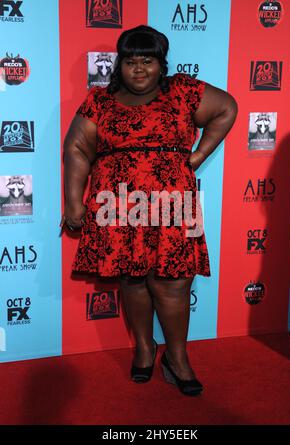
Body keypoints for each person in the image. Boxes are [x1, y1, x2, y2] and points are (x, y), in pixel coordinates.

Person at [61, 25, 237, 397]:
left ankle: (178, 358)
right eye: (130, 60)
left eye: (147, 60)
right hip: (118, 206)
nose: (138, 69)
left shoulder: (184, 92)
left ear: (161, 64)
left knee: (173, 283)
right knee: (132, 279)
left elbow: (227, 108)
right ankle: (144, 348)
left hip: (172, 206)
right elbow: (77, 148)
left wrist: (200, 155)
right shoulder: (100, 100)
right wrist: (74, 203)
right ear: (119, 65)